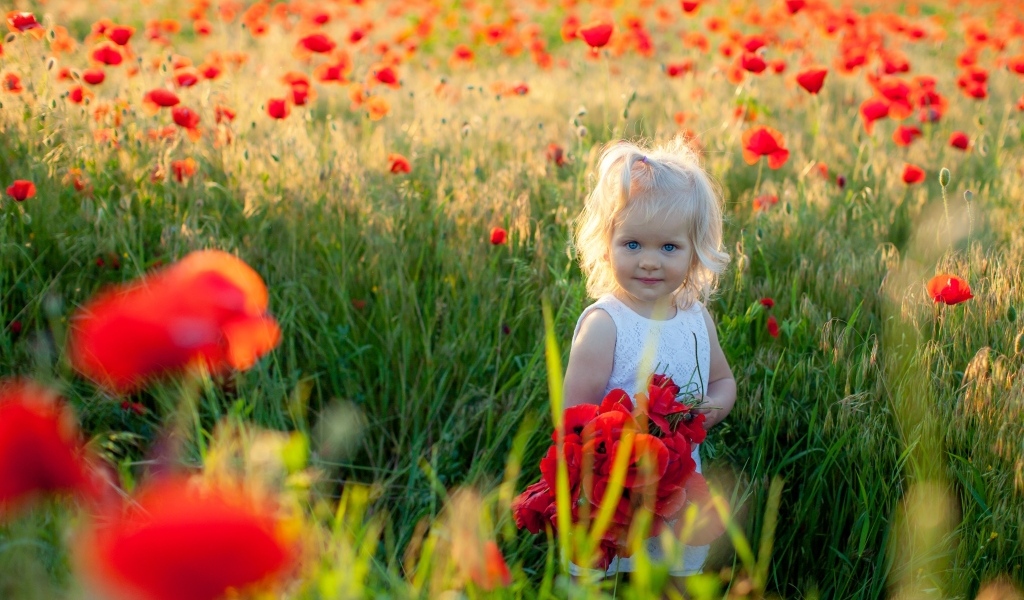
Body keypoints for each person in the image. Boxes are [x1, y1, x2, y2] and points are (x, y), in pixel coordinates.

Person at [563, 137, 737, 589]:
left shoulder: (696, 317)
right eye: (633, 243)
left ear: (696, 250)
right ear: (607, 244)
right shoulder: (606, 325)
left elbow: (722, 381)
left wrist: (705, 413)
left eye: (669, 248)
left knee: (671, 579)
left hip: (676, 487)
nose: (649, 262)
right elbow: (572, 419)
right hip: (612, 490)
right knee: (604, 580)